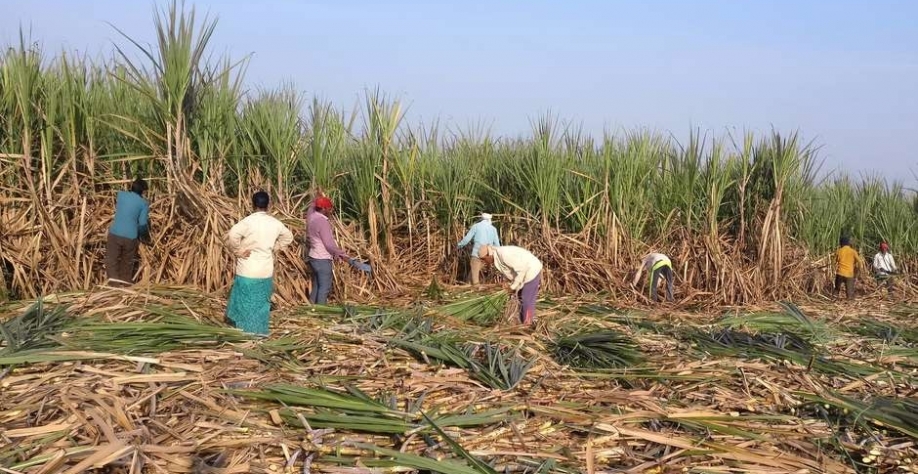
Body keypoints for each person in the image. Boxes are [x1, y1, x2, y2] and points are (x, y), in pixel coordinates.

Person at [225, 191, 294, 335]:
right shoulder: (275, 223)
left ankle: (243, 333)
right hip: (265, 269)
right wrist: (274, 248)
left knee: (246, 302)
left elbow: (232, 235)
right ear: (268, 205)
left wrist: (238, 250)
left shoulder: (248, 222)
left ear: (252, 204)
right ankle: (258, 332)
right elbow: (288, 237)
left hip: (248, 268)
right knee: (261, 303)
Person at [478, 244, 542, 325]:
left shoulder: (504, 254)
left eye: (483, 259)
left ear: (488, 255)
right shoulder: (497, 257)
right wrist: (509, 283)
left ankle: (527, 325)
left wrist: (512, 287)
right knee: (520, 298)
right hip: (523, 274)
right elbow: (510, 271)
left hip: (531, 271)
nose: (483, 262)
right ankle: (522, 321)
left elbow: (521, 270)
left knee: (526, 299)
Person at [305, 191, 350, 304]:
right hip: (322, 258)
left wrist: (318, 197)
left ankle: (312, 308)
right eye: (329, 209)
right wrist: (341, 253)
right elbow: (329, 244)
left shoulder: (311, 217)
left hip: (313, 257)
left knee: (317, 285)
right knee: (324, 287)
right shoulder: (322, 222)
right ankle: (321, 311)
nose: (330, 211)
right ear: (324, 209)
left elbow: (311, 206)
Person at [106, 178, 150, 287]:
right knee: (127, 264)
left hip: (115, 234)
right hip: (131, 238)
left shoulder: (121, 195)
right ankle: (126, 288)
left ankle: (114, 287)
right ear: (143, 191)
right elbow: (143, 224)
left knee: (111, 261)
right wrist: (146, 237)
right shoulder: (143, 204)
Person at [457, 212, 501, 285]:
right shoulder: (493, 229)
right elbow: (497, 244)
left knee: (475, 277)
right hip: (487, 256)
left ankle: (476, 290)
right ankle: (466, 288)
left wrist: (459, 245)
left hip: (477, 254)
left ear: (482, 218)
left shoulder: (476, 226)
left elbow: (466, 239)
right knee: (473, 272)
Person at [835, 236, 862, 300]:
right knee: (850, 292)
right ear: (848, 243)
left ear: (842, 243)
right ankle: (849, 304)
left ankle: (834, 300)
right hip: (849, 274)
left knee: (837, 289)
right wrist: (857, 270)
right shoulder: (853, 251)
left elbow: (836, 261)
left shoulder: (839, 251)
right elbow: (859, 262)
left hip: (840, 273)